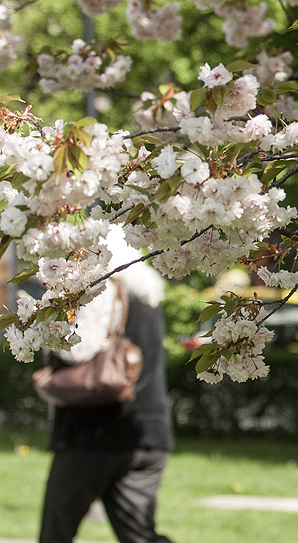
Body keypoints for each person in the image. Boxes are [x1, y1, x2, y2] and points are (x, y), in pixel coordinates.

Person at [39, 231, 175, 543]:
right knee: (140, 535)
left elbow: (77, 349)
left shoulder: (102, 288)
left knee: (56, 532)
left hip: (94, 434)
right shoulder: (147, 293)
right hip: (148, 434)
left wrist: (47, 327)